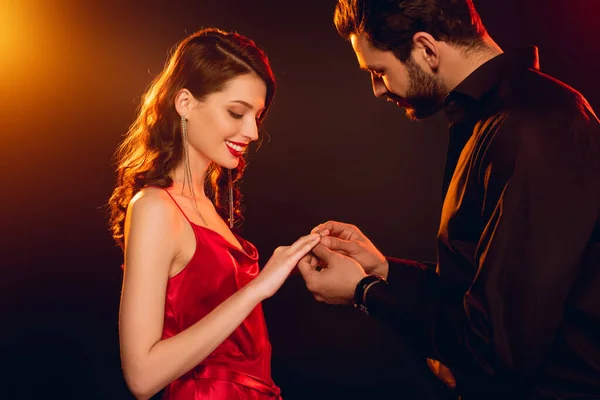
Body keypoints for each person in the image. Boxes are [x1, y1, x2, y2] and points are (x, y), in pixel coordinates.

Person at [297, 1, 600, 399]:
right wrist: (384, 270)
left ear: (426, 48)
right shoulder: (490, 119)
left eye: (379, 71)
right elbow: (483, 289)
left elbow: (497, 348)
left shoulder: (536, 125)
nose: (377, 89)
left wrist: (365, 292)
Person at [108, 28, 324, 400]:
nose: (253, 132)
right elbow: (142, 378)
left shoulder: (208, 205)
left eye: (257, 116)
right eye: (236, 113)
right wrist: (259, 287)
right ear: (186, 103)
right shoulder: (155, 207)